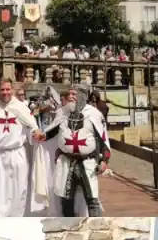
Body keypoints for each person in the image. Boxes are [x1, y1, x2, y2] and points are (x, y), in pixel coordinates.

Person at [0, 79, 47, 217]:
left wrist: (36, 134)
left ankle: (17, 221)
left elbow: (32, 128)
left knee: (18, 191)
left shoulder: (21, 108)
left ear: (12, 90)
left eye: (8, 89)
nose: (5, 93)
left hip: (17, 155)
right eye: (2, 90)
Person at [41, 84, 109, 216]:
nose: (70, 97)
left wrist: (105, 160)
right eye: (69, 94)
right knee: (66, 200)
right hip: (67, 163)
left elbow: (103, 139)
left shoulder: (94, 114)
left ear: (83, 96)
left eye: (74, 94)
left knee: (92, 200)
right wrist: (40, 136)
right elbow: (51, 132)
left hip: (87, 163)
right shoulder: (62, 112)